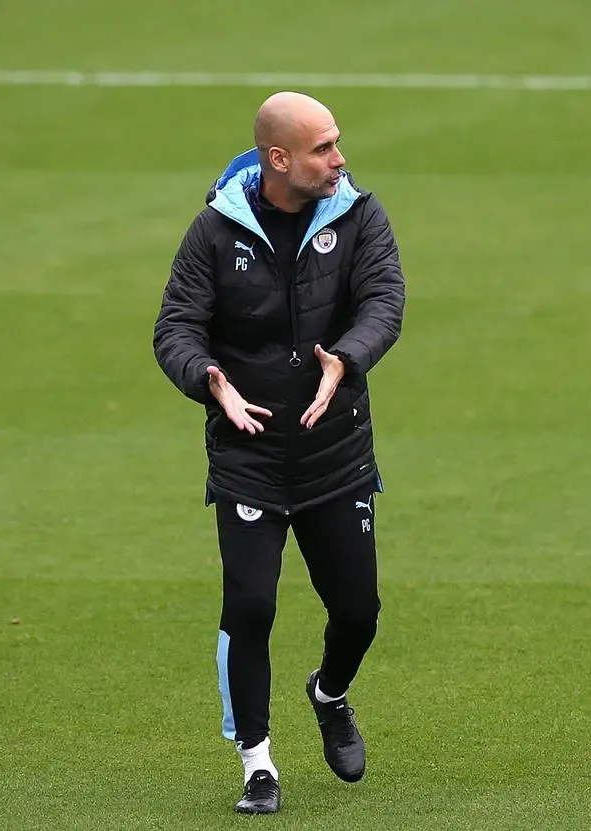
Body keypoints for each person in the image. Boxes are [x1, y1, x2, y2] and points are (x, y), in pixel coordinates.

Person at [153, 91, 405, 813]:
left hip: (336, 455)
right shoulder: (214, 231)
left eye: (337, 142)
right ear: (279, 159)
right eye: (325, 147)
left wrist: (345, 359)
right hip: (250, 459)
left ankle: (329, 692)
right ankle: (257, 762)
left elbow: (384, 300)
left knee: (358, 612)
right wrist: (209, 380)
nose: (340, 158)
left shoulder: (359, 215)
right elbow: (175, 325)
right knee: (252, 605)